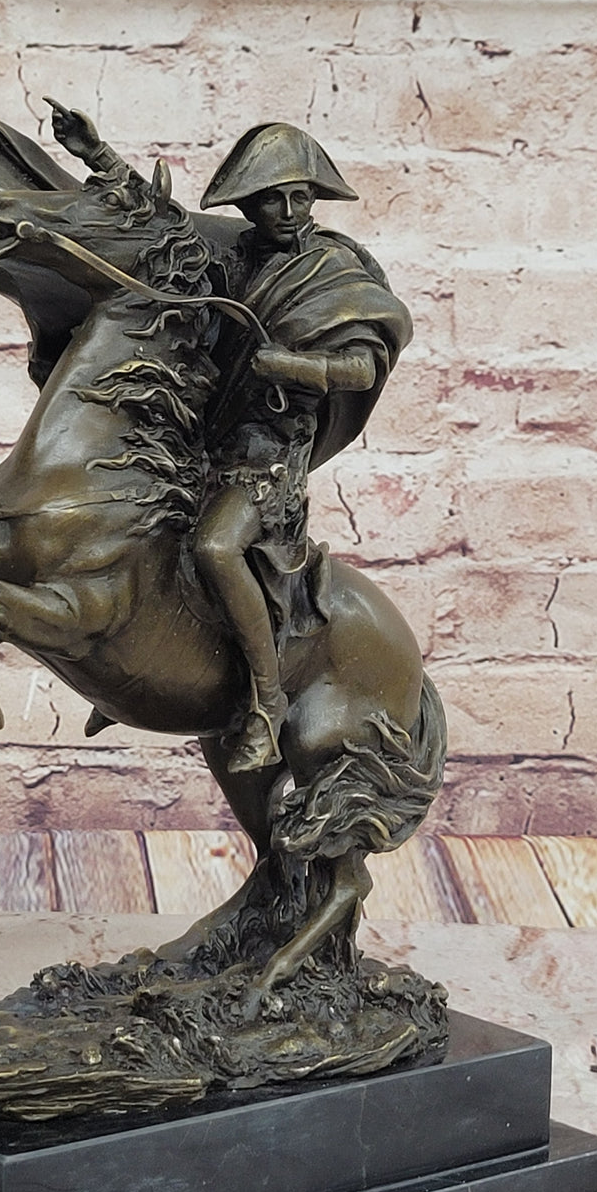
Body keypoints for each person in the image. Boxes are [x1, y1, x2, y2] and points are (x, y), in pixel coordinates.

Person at [194, 124, 412, 771]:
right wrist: (98, 158)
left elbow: (361, 369)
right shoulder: (230, 257)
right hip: (200, 437)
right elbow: (155, 233)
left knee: (215, 546)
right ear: (246, 203)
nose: (289, 212)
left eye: (300, 197)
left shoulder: (333, 268)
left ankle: (267, 703)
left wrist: (291, 366)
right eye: (272, 198)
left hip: (268, 455)